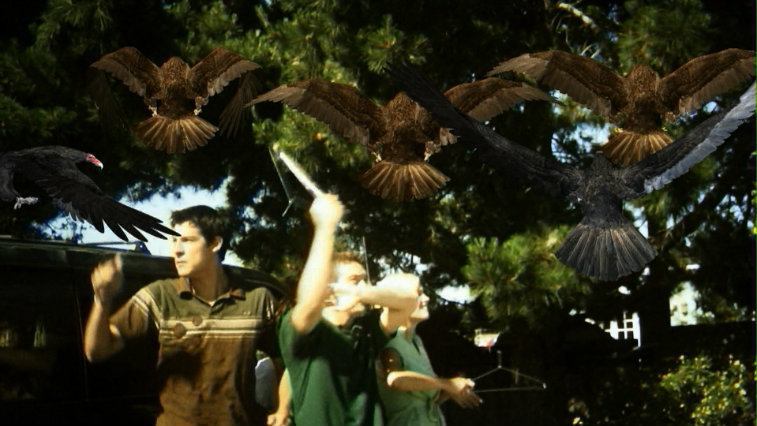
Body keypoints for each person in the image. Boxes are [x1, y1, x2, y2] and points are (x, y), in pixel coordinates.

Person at [84, 205, 279, 426]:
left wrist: (281, 407)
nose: (176, 250)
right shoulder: (159, 296)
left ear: (215, 243)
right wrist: (102, 300)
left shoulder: (258, 300)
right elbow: (96, 351)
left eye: (186, 240)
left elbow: (290, 356)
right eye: (173, 241)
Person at [275, 193, 417, 426]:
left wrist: (360, 292)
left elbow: (409, 302)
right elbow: (309, 302)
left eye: (365, 279)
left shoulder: (367, 329)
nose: (365, 285)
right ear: (329, 288)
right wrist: (325, 227)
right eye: (354, 279)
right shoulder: (306, 330)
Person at [376, 273, 482, 426]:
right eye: (418, 293)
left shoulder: (416, 341)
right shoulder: (389, 342)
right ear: (398, 301)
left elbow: (426, 398)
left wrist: (452, 390)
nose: (426, 298)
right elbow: (395, 380)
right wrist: (447, 384)